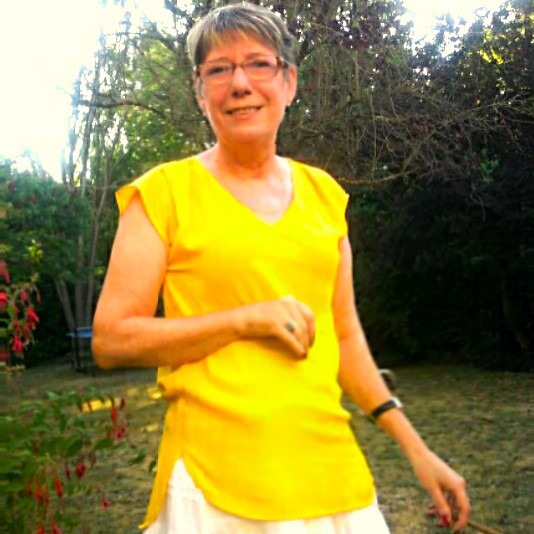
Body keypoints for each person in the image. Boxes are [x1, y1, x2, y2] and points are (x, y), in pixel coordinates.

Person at [92, 3, 471, 533]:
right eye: (218, 70)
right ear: (200, 92)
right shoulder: (162, 195)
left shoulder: (325, 197)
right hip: (215, 487)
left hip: (333, 478)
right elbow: (111, 339)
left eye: (258, 64)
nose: (239, 83)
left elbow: (344, 337)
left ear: (289, 82)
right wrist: (243, 320)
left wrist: (416, 448)